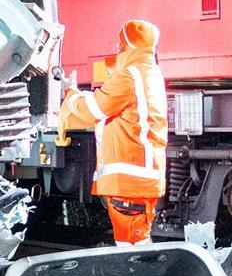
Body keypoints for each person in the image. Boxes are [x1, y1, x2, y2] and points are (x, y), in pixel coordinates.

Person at [58, 19, 167, 245]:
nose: (117, 49)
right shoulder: (150, 73)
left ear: (129, 46)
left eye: (120, 44)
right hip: (142, 178)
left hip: (129, 182)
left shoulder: (129, 77)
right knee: (137, 245)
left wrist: (70, 93)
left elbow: (92, 110)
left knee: (132, 251)